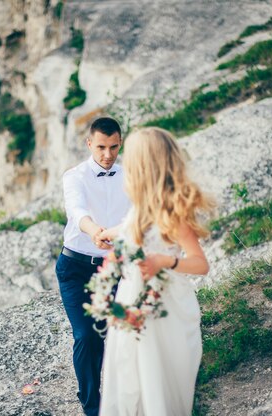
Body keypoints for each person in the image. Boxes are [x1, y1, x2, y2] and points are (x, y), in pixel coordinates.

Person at [98, 126, 215, 415]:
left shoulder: (173, 213)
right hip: (130, 299)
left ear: (143, 167)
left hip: (162, 304)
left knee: (153, 378)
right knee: (128, 371)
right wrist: (108, 233)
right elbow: (131, 229)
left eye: (130, 161)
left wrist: (166, 262)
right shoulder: (140, 209)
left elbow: (200, 264)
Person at [56, 117, 131, 416]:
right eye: (101, 147)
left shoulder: (128, 176)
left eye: (113, 147)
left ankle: (121, 396)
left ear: (120, 143)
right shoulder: (74, 177)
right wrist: (95, 231)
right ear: (89, 144)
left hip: (113, 268)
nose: (107, 154)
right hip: (75, 266)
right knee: (87, 336)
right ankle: (91, 405)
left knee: (119, 334)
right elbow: (77, 211)